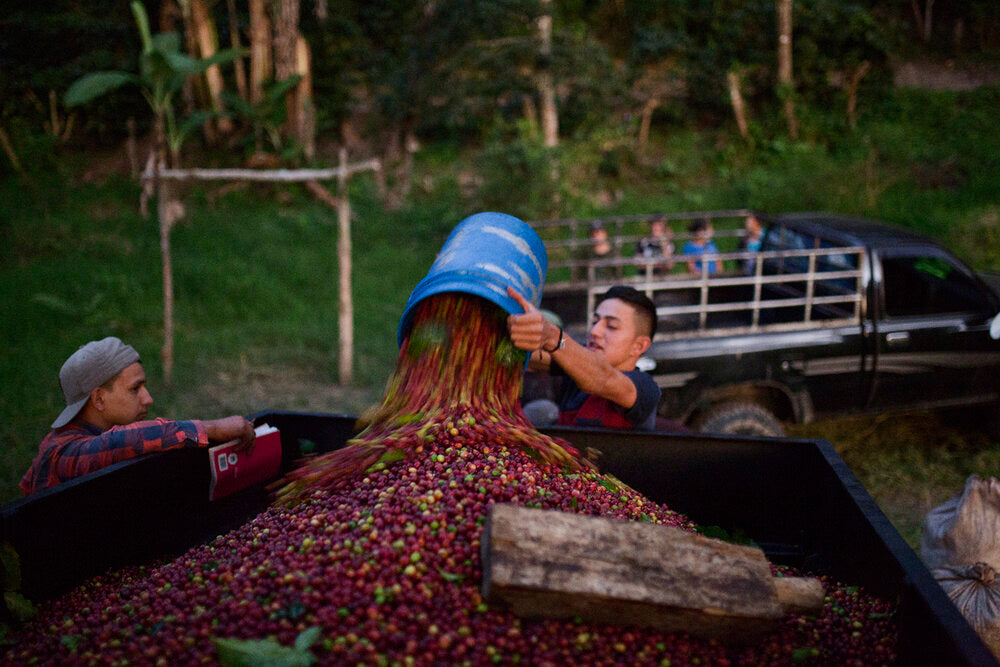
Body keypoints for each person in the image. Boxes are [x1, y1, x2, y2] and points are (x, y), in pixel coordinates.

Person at [20, 337, 256, 495]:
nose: (148, 399)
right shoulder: (60, 453)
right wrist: (213, 428)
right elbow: (123, 441)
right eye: (135, 389)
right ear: (99, 399)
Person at [507, 285, 661, 430]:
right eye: (595, 321)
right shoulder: (575, 366)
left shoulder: (644, 387)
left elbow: (603, 377)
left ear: (639, 346)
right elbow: (537, 355)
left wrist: (552, 336)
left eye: (611, 326)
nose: (595, 331)